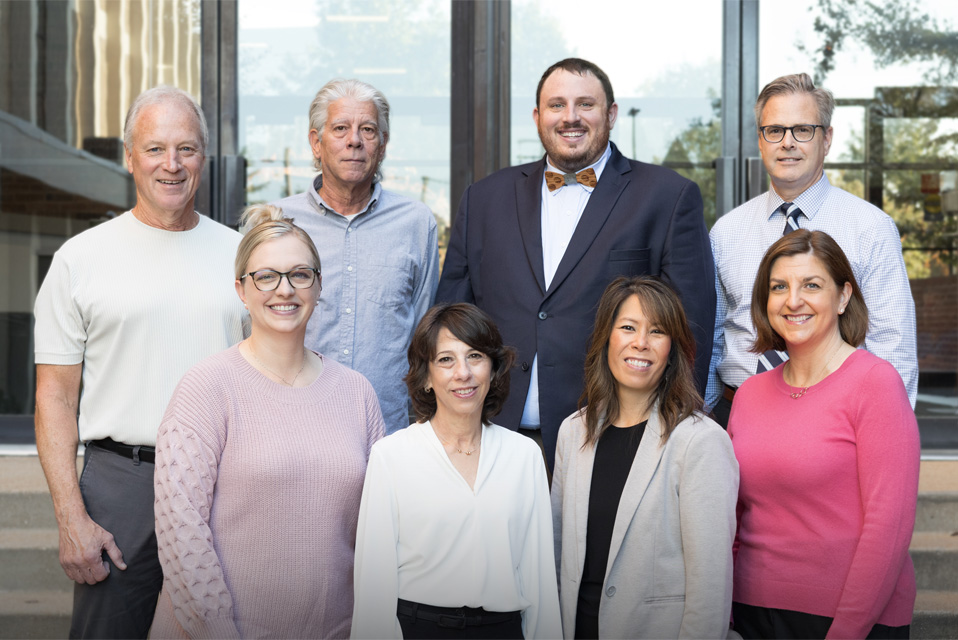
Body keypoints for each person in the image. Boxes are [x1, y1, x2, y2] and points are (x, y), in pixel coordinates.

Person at [33, 86, 246, 638]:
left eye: (186, 149)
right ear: (129, 156)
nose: (171, 165)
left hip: (223, 482)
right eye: (154, 149)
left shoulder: (244, 258)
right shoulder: (80, 259)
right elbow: (54, 396)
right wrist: (70, 517)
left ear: (205, 157)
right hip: (119, 487)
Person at [437, 58, 715, 470]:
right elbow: (450, 323)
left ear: (611, 114)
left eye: (585, 104)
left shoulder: (668, 198)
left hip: (613, 439)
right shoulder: (484, 199)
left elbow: (690, 327)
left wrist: (667, 437)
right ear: (537, 117)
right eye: (557, 105)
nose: (570, 117)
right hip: (491, 439)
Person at [152, 204, 385, 639]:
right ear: (241, 289)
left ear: (318, 285)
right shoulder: (206, 388)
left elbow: (380, 530)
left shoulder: (357, 393)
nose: (284, 289)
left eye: (300, 274)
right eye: (266, 276)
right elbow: (181, 532)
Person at [729, 230, 919, 639]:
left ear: (844, 296)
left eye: (811, 285)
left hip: (849, 619)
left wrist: (847, 631)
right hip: (751, 612)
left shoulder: (875, 384)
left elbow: (889, 528)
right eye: (779, 287)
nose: (793, 300)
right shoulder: (749, 394)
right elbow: (737, 515)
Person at [709, 72, 917, 426]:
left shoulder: (871, 227)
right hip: (738, 412)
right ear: (760, 141)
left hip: (837, 416)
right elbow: (711, 340)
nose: (787, 142)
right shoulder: (726, 232)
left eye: (802, 130)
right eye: (774, 130)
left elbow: (892, 345)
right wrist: (703, 422)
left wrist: (886, 432)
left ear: (827, 139)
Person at [351, 303, 562, 639]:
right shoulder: (391, 455)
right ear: (426, 377)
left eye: (475, 356)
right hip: (419, 629)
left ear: (492, 370)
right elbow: (373, 589)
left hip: (503, 630)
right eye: (446, 359)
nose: (463, 372)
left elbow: (539, 583)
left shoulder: (525, 455)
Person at [552, 276, 738, 639]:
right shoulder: (572, 432)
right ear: (607, 337)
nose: (640, 342)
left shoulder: (700, 442)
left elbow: (710, 588)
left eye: (657, 331)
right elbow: (556, 554)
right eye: (627, 327)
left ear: (672, 349)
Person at [273, 78, 439, 434]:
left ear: (382, 145)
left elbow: (424, 335)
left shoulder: (416, 222)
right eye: (340, 129)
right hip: (293, 426)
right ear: (316, 143)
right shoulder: (279, 221)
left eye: (367, 129)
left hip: (387, 432)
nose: (354, 141)